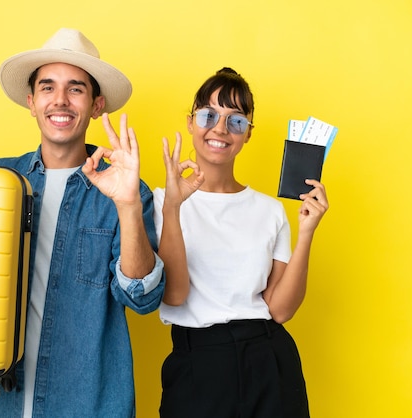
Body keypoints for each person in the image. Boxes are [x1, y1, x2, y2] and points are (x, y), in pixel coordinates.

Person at [0, 28, 165, 418]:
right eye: (48, 87)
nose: (61, 101)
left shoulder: (128, 191)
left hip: (86, 404)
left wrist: (128, 205)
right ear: (32, 102)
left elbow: (142, 298)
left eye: (76, 89)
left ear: (97, 104)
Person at [153, 67, 329, 418]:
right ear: (190, 123)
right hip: (197, 362)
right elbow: (174, 295)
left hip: (269, 359)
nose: (220, 129)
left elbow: (280, 309)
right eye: (209, 116)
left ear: (248, 133)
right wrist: (173, 206)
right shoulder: (159, 202)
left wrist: (307, 232)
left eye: (236, 121)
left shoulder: (271, 211)